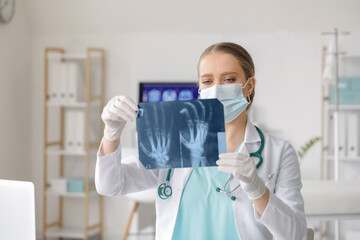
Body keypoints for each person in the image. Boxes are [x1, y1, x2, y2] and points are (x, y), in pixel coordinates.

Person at [95, 42, 307, 240]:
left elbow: (295, 234)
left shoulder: (279, 153)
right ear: (200, 88)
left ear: (249, 86)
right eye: (207, 81)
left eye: (229, 79)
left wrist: (258, 191)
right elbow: (110, 186)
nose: (216, 88)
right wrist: (111, 133)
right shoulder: (173, 141)